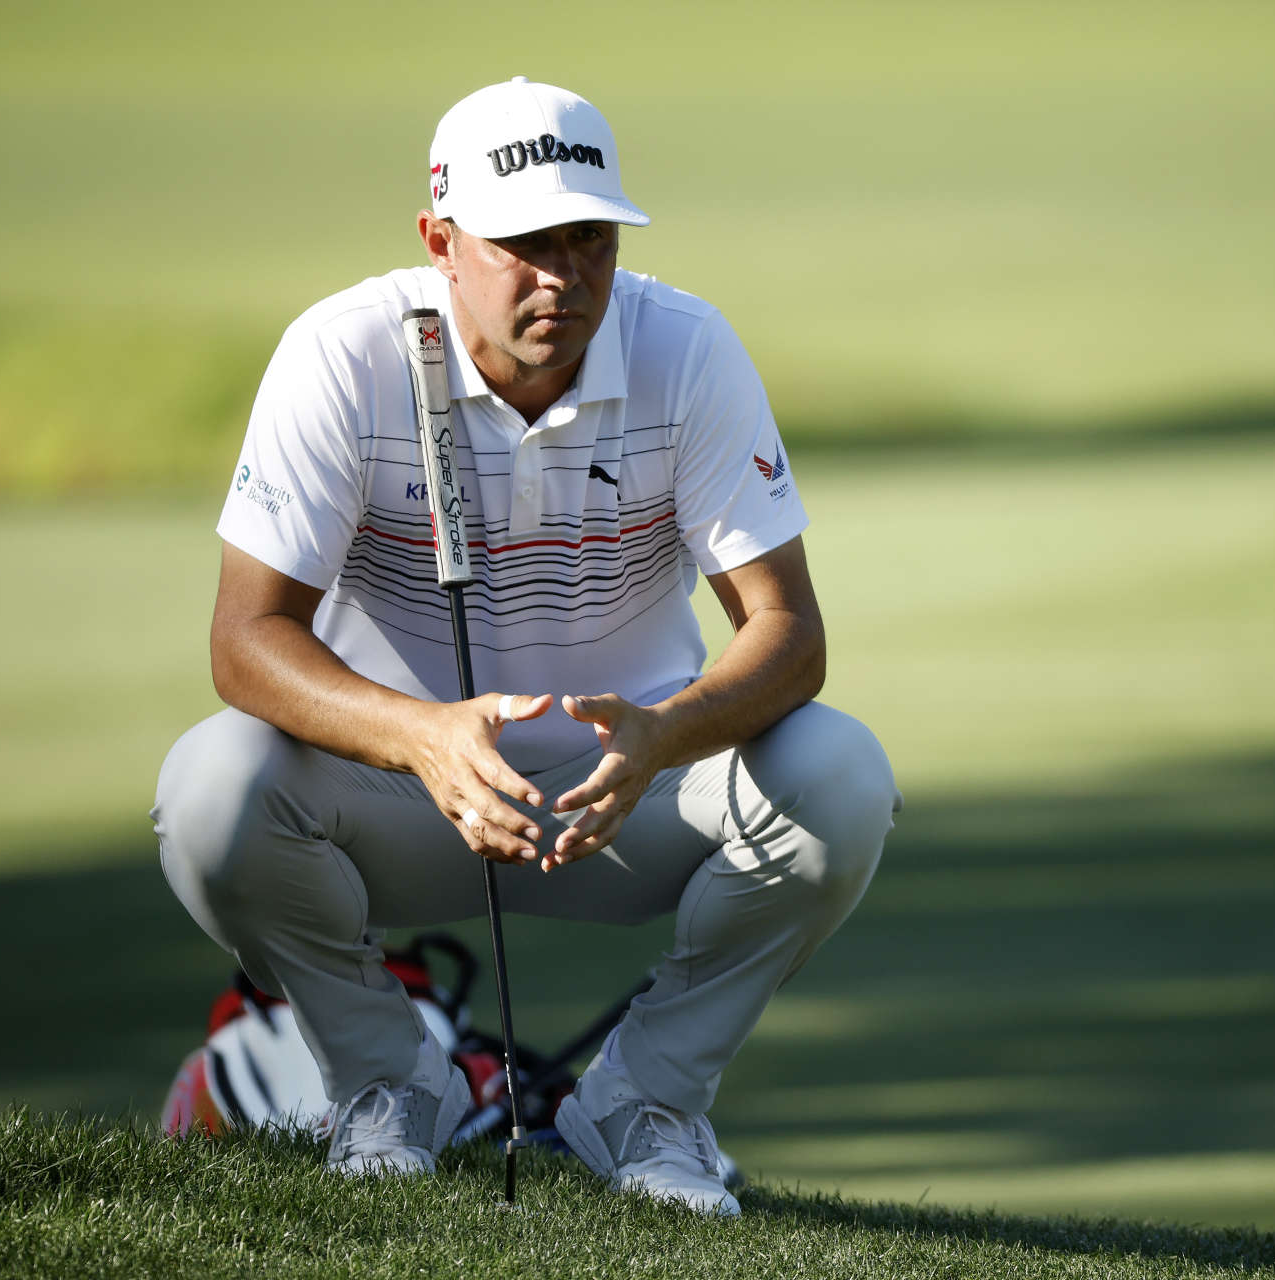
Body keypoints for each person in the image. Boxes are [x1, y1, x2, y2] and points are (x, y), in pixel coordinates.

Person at [152, 77, 899, 1217]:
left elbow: (789, 633)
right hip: (398, 787)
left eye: (589, 238)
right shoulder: (343, 354)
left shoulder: (684, 347)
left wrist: (668, 732)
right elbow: (245, 640)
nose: (563, 274)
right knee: (209, 784)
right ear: (440, 243)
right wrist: (419, 735)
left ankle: (645, 1100)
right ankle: (390, 1082)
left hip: (631, 784)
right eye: (523, 243)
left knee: (841, 775)